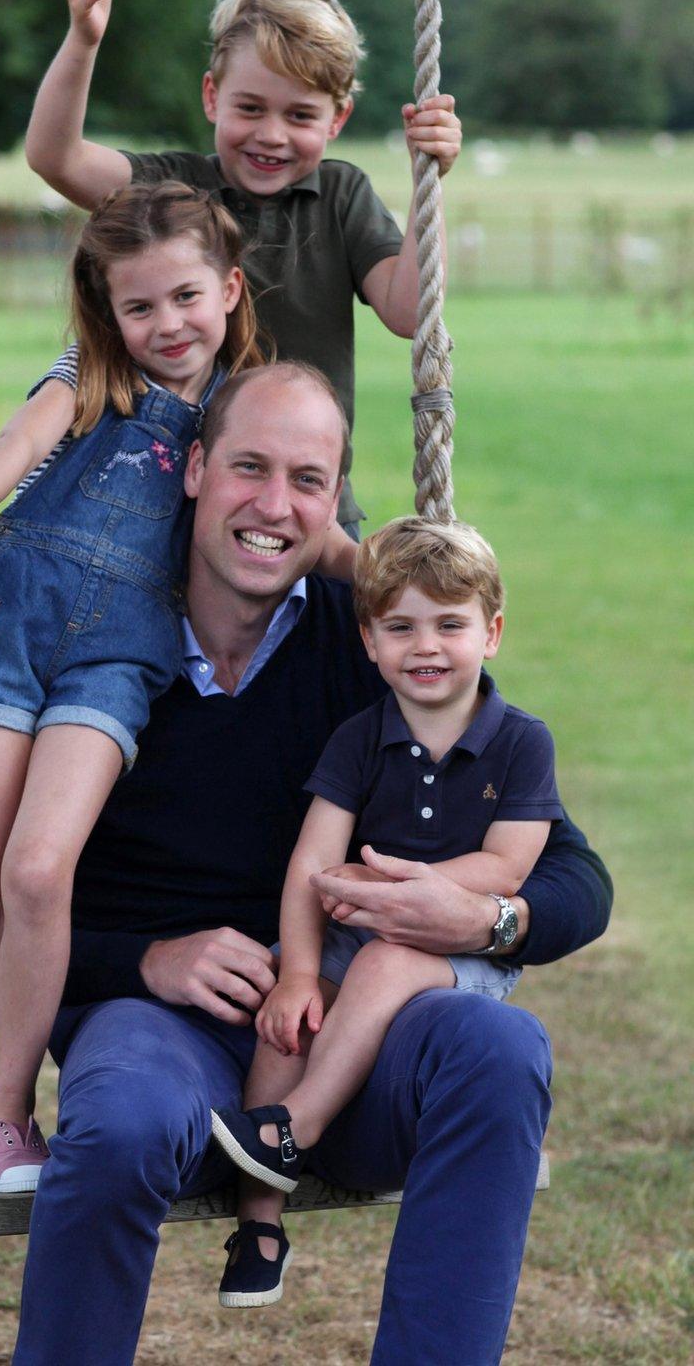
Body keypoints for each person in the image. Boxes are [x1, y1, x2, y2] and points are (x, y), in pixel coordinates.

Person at [0, 363, 612, 1365]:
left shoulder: (372, 645)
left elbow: (572, 879)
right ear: (194, 469)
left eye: (308, 480)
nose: (273, 506)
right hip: (165, 1034)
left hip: (351, 1038)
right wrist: (145, 960)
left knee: (496, 1054)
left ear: (333, 505)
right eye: (248, 467)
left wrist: (484, 922)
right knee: (115, 1122)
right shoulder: (101, 644)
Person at [0, 182, 295, 1197]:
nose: (166, 325)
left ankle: (15, 1107)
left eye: (186, 297)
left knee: (37, 868)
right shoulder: (87, 375)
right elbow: (15, 449)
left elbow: (283, 505)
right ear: (109, 313)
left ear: (229, 289)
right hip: (8, 617)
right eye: (138, 306)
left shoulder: (242, 406)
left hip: (121, 649)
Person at [209, 515, 564, 1308]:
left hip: (460, 946)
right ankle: (260, 1219)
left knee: (387, 958)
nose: (427, 646)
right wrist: (299, 973)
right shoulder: (359, 739)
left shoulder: (520, 744)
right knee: (286, 1016)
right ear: (369, 641)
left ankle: (296, 1124)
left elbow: (509, 865)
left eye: (450, 625)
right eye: (401, 627)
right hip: (354, 926)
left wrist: (407, 893)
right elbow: (311, 864)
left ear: (492, 633)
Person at [24, 0, 463, 535]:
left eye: (301, 116)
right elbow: (56, 157)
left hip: (309, 506)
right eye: (250, 108)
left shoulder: (341, 196)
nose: (271, 135)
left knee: (334, 623)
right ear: (212, 96)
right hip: (172, 503)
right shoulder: (174, 193)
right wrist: (83, 37)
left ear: (337, 120)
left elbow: (410, 312)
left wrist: (425, 183)